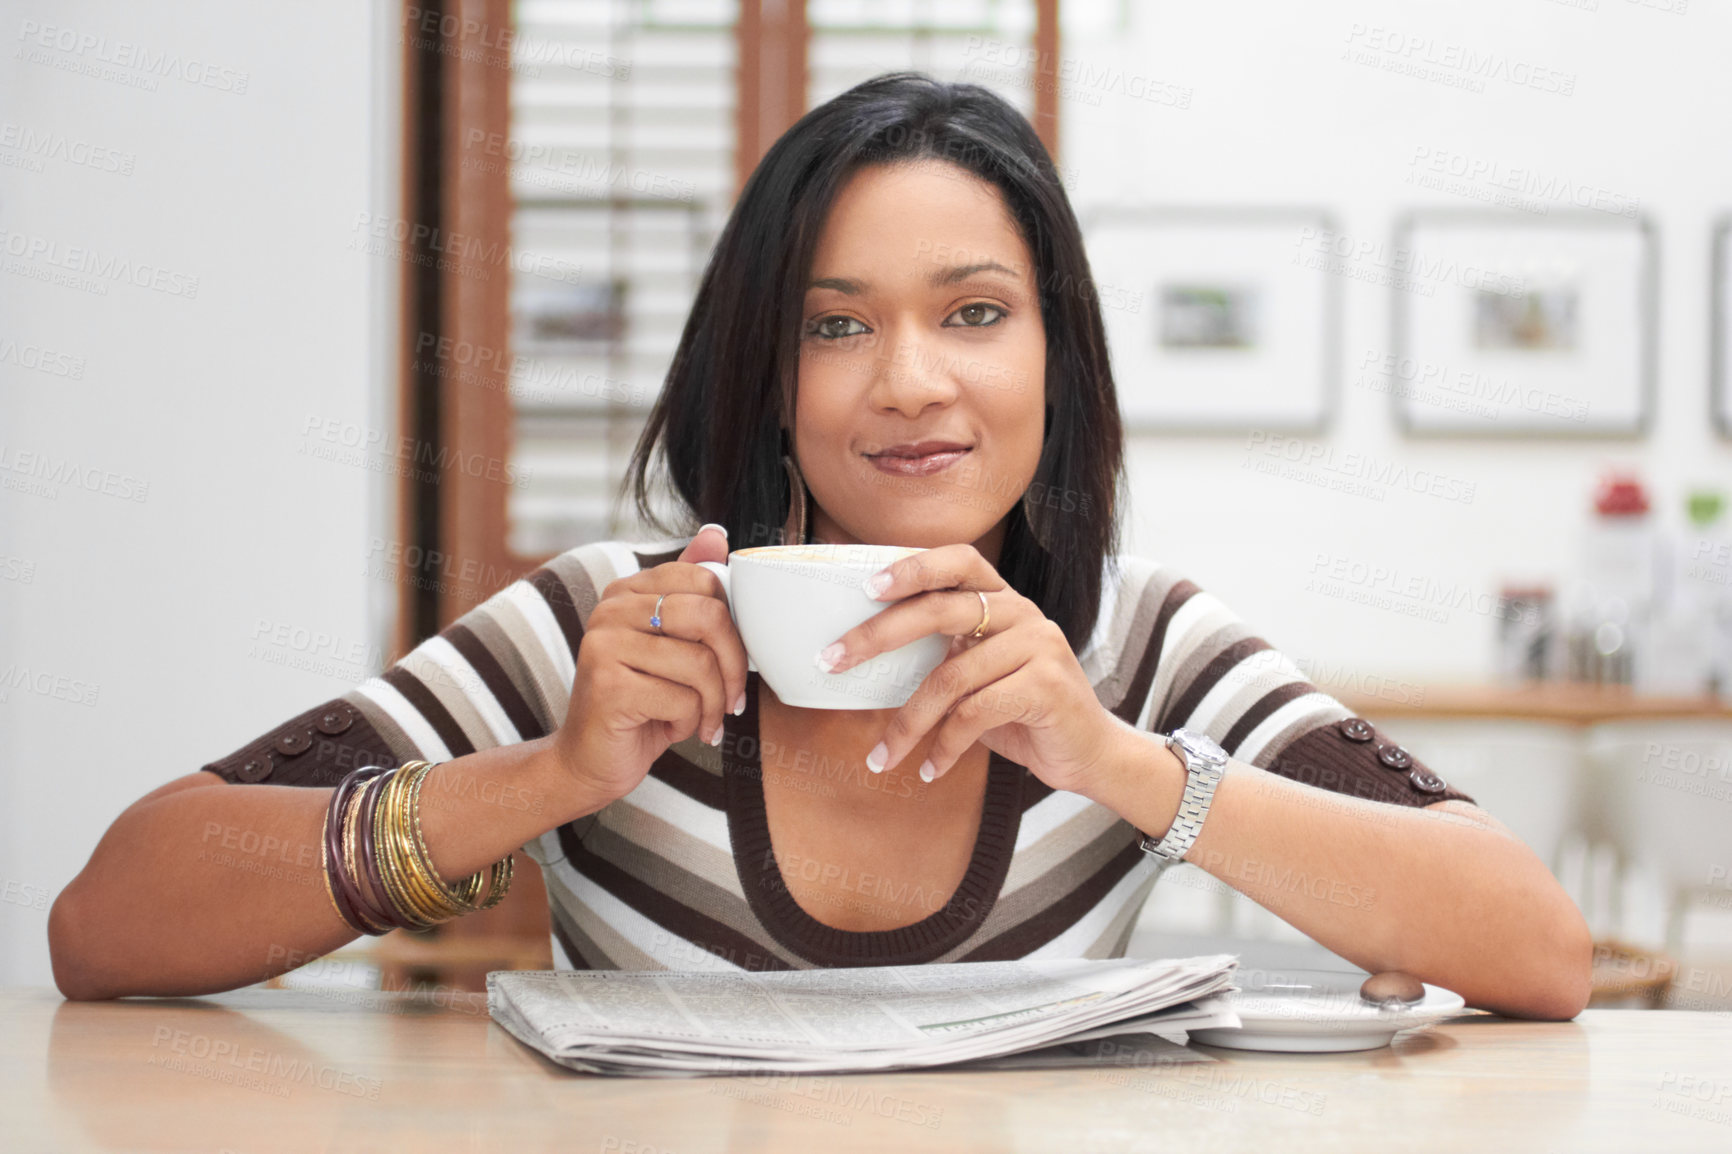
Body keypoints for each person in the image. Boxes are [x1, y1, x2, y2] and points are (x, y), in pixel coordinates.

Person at [47, 72, 1591, 1018]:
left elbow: (1534, 943)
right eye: (835, 326)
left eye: (975, 313)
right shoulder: (618, 623)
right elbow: (108, 923)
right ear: (767, 385)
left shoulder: (1138, 648)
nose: (911, 380)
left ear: (1058, 357)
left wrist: (1112, 759)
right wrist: (551, 776)